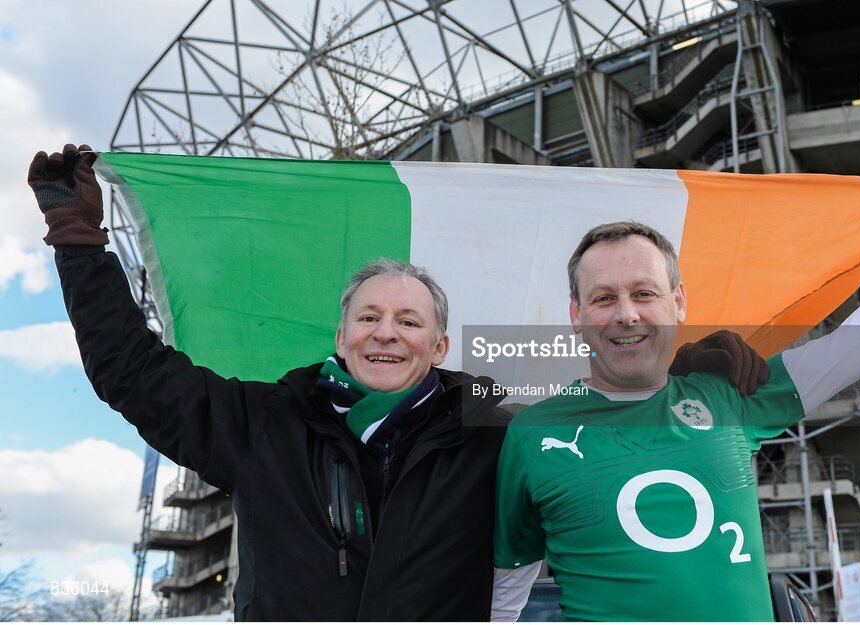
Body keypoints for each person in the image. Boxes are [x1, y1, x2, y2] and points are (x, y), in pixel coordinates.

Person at [27, 144, 766, 621]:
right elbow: (133, 372)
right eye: (370, 317)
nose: (388, 332)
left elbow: (596, 388)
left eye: (410, 321)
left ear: (439, 343)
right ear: (341, 335)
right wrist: (78, 241)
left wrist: (683, 359)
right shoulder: (267, 421)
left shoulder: (485, 413)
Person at [491, 184, 860, 621]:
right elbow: (504, 594)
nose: (627, 314)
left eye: (645, 293)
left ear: (678, 302)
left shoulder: (726, 393)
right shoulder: (533, 433)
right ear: (576, 314)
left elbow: (854, 348)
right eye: (603, 299)